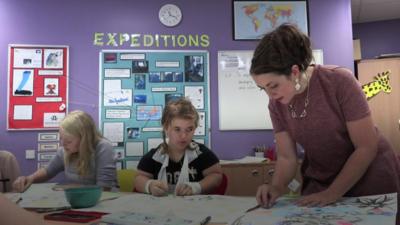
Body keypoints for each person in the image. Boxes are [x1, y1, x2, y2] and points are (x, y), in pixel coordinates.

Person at [250, 23, 400, 223]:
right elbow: (287, 158)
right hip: (323, 179)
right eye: (263, 89)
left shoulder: (338, 81)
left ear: (294, 72)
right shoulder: (276, 105)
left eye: (273, 85)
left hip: (369, 177)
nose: (270, 94)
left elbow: (366, 147)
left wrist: (333, 193)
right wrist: (275, 187)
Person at [135, 98, 222, 196]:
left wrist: (197, 187)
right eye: (177, 129)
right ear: (166, 128)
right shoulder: (154, 157)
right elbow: (139, 179)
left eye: (189, 129)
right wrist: (149, 185)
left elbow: (217, 176)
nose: (183, 136)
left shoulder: (202, 154)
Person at [13, 110, 117, 192]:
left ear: (84, 139)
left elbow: (104, 189)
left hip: (106, 202)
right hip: (79, 201)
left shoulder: (103, 147)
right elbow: (48, 171)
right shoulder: (66, 150)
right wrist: (30, 178)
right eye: (61, 138)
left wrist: (71, 188)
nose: (63, 144)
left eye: (68, 141)